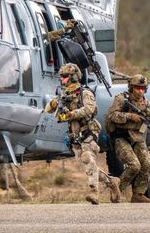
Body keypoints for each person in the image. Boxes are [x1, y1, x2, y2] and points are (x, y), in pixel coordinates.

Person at [45, 63, 121, 204]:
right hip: (75, 136)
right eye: (61, 77)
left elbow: (89, 110)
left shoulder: (84, 93)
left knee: (87, 159)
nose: (62, 80)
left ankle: (94, 192)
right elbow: (49, 111)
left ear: (73, 77)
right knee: (89, 166)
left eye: (65, 77)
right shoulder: (64, 95)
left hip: (89, 131)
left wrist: (71, 114)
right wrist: (55, 104)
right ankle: (112, 182)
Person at [106, 74, 150, 203]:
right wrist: (129, 116)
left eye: (143, 88)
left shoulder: (144, 103)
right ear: (131, 88)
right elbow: (112, 115)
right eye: (137, 88)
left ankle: (138, 194)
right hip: (121, 137)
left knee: (147, 165)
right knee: (134, 165)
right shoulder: (122, 99)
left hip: (137, 138)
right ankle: (117, 188)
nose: (140, 91)